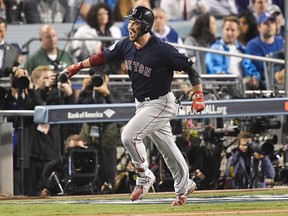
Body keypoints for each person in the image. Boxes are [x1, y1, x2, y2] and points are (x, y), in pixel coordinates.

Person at [60, 6, 205, 206]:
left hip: (161, 102)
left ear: (145, 27)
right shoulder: (126, 45)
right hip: (142, 103)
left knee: (129, 135)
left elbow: (191, 66)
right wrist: (77, 66)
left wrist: (198, 94)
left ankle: (144, 176)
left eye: (135, 23)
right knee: (168, 148)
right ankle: (184, 186)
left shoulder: (162, 49)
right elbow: (102, 57)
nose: (130, 26)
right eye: (130, 22)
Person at [78, 67, 119, 193]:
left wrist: (107, 93)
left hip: (108, 138)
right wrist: (84, 90)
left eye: (102, 77)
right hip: (89, 136)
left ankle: (110, 191)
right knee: (89, 168)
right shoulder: (89, 92)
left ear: (107, 78)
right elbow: (77, 109)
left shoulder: (114, 91)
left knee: (108, 168)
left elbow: (120, 112)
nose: (98, 80)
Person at [242, 11, 283, 90]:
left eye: (272, 22)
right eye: (266, 23)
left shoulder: (282, 42)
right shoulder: (252, 45)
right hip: (262, 84)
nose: (270, 25)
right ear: (259, 27)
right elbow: (250, 66)